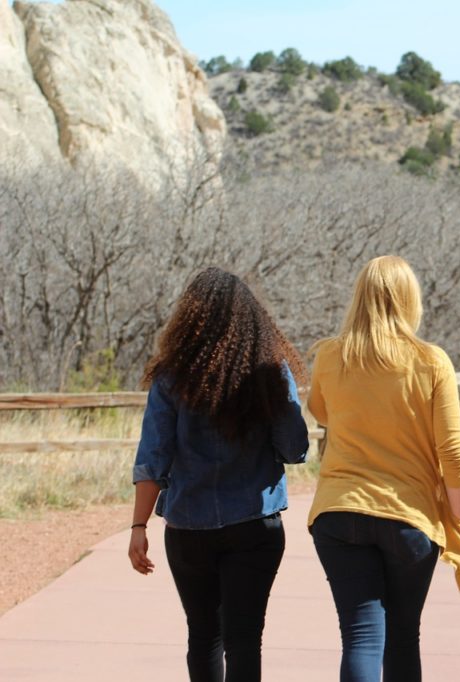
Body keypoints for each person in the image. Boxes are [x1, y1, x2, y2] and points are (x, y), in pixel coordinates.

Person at [128, 267, 309, 682]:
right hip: (254, 524)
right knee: (245, 639)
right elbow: (294, 448)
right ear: (253, 319)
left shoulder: (171, 377)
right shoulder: (270, 371)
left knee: (203, 636)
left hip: (189, 528)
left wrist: (138, 525)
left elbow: (153, 456)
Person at [306, 255, 460, 682]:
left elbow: (320, 412)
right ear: (409, 300)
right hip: (409, 518)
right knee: (403, 635)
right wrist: (459, 520)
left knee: (360, 636)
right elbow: (454, 450)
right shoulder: (431, 361)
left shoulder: (330, 355)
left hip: (338, 512)